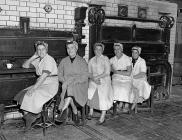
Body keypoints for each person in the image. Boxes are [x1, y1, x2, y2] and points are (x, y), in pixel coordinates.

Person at [14, 41, 59, 131]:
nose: (41, 51)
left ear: (46, 50)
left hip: (50, 84)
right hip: (41, 83)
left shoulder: (49, 59)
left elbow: (44, 76)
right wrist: (34, 56)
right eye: (39, 49)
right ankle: (30, 116)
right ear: (36, 51)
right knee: (21, 94)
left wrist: (34, 88)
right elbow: (24, 65)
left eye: (43, 49)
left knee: (31, 94)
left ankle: (34, 115)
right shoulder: (38, 59)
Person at [56, 41, 88, 125]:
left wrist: (73, 81)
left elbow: (85, 77)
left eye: (72, 47)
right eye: (68, 48)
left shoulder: (82, 61)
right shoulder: (64, 61)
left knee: (69, 87)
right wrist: (64, 81)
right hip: (67, 85)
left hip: (80, 86)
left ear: (76, 48)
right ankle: (75, 112)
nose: (70, 50)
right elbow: (59, 74)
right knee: (69, 87)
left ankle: (63, 110)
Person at [87, 43, 113, 125]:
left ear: (102, 50)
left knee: (103, 93)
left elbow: (107, 72)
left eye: (100, 49)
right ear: (94, 50)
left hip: (104, 80)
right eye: (96, 49)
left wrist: (97, 77)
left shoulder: (105, 59)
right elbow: (89, 73)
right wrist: (93, 79)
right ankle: (91, 111)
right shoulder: (91, 60)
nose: (98, 51)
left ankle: (102, 116)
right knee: (90, 90)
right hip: (94, 80)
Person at [110, 43, 132, 113]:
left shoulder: (127, 58)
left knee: (125, 88)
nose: (116, 51)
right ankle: (118, 105)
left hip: (126, 77)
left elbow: (128, 73)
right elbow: (109, 68)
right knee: (116, 88)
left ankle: (126, 105)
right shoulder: (112, 59)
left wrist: (117, 72)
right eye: (115, 49)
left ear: (122, 50)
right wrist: (112, 69)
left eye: (118, 49)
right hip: (116, 78)